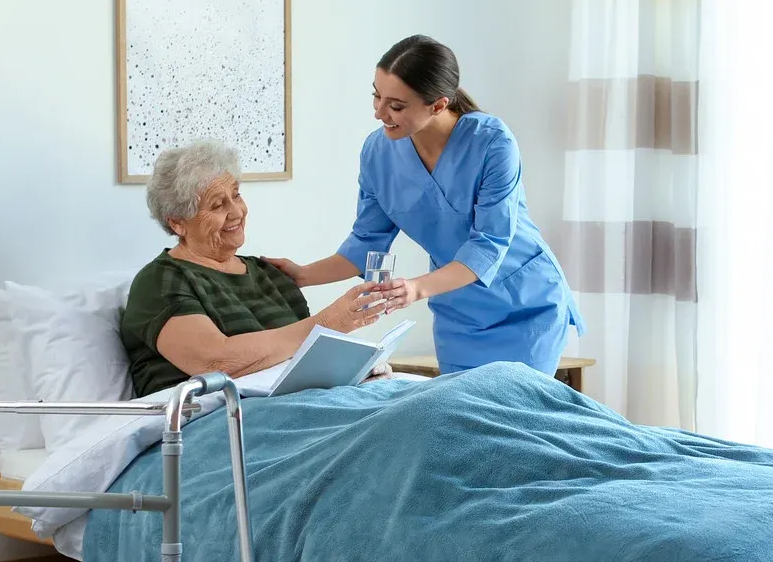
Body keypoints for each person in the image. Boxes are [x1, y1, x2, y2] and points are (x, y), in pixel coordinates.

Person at [265, 35, 583, 376]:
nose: (379, 113)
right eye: (376, 95)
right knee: (461, 421)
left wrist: (415, 288)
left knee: (515, 417)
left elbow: (488, 246)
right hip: (458, 313)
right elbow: (366, 243)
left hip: (525, 306)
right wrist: (302, 275)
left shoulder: (492, 143)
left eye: (396, 106)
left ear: (437, 105)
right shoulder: (378, 153)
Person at [120, 140, 386, 396]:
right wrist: (327, 323)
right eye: (217, 204)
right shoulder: (161, 281)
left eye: (236, 195)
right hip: (217, 420)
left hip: (294, 407)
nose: (236, 212)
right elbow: (216, 362)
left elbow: (301, 362)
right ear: (178, 223)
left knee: (417, 401)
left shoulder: (270, 275)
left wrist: (353, 371)